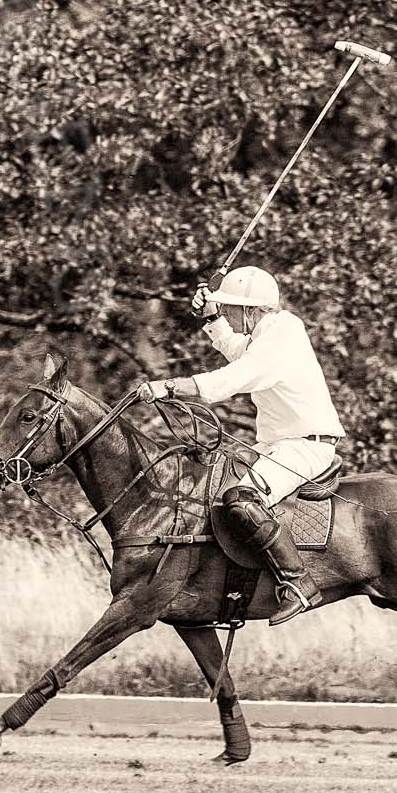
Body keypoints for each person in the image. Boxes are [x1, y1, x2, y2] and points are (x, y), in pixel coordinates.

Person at [130, 265, 345, 625]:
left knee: (241, 501)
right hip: (276, 444)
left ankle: (299, 582)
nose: (228, 312)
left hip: (306, 447)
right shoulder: (270, 331)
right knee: (213, 486)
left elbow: (231, 378)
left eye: (231, 307)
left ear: (251, 309)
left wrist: (167, 387)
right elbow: (238, 351)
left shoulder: (281, 336)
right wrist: (213, 316)